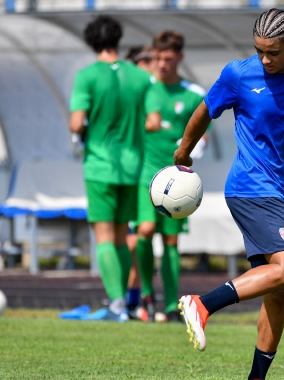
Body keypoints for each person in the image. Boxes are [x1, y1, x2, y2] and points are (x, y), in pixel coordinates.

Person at [173, 9, 284, 379]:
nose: (265, 58)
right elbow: (204, 111)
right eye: (259, 50)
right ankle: (201, 304)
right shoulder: (237, 74)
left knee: (278, 292)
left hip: (283, 192)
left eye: (273, 52)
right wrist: (184, 150)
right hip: (250, 187)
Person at [69, 15, 151, 321]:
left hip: (100, 166)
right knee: (121, 236)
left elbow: (77, 122)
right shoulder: (140, 77)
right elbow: (152, 120)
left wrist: (82, 129)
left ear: (92, 42)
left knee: (103, 237)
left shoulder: (87, 76)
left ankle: (116, 304)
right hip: (132, 166)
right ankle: (125, 305)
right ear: (118, 40)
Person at [134, 31, 209, 323]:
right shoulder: (144, 89)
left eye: (167, 58)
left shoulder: (193, 93)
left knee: (171, 242)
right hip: (145, 174)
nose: (162, 64)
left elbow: (203, 134)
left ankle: (170, 305)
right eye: (157, 58)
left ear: (179, 57)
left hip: (177, 181)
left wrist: (194, 148)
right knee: (143, 232)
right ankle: (145, 295)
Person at [123, 44, 157, 322]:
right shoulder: (127, 95)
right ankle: (131, 301)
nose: (151, 64)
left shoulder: (154, 92)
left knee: (139, 240)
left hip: (151, 178)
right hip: (126, 178)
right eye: (145, 60)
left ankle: (136, 301)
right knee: (130, 243)